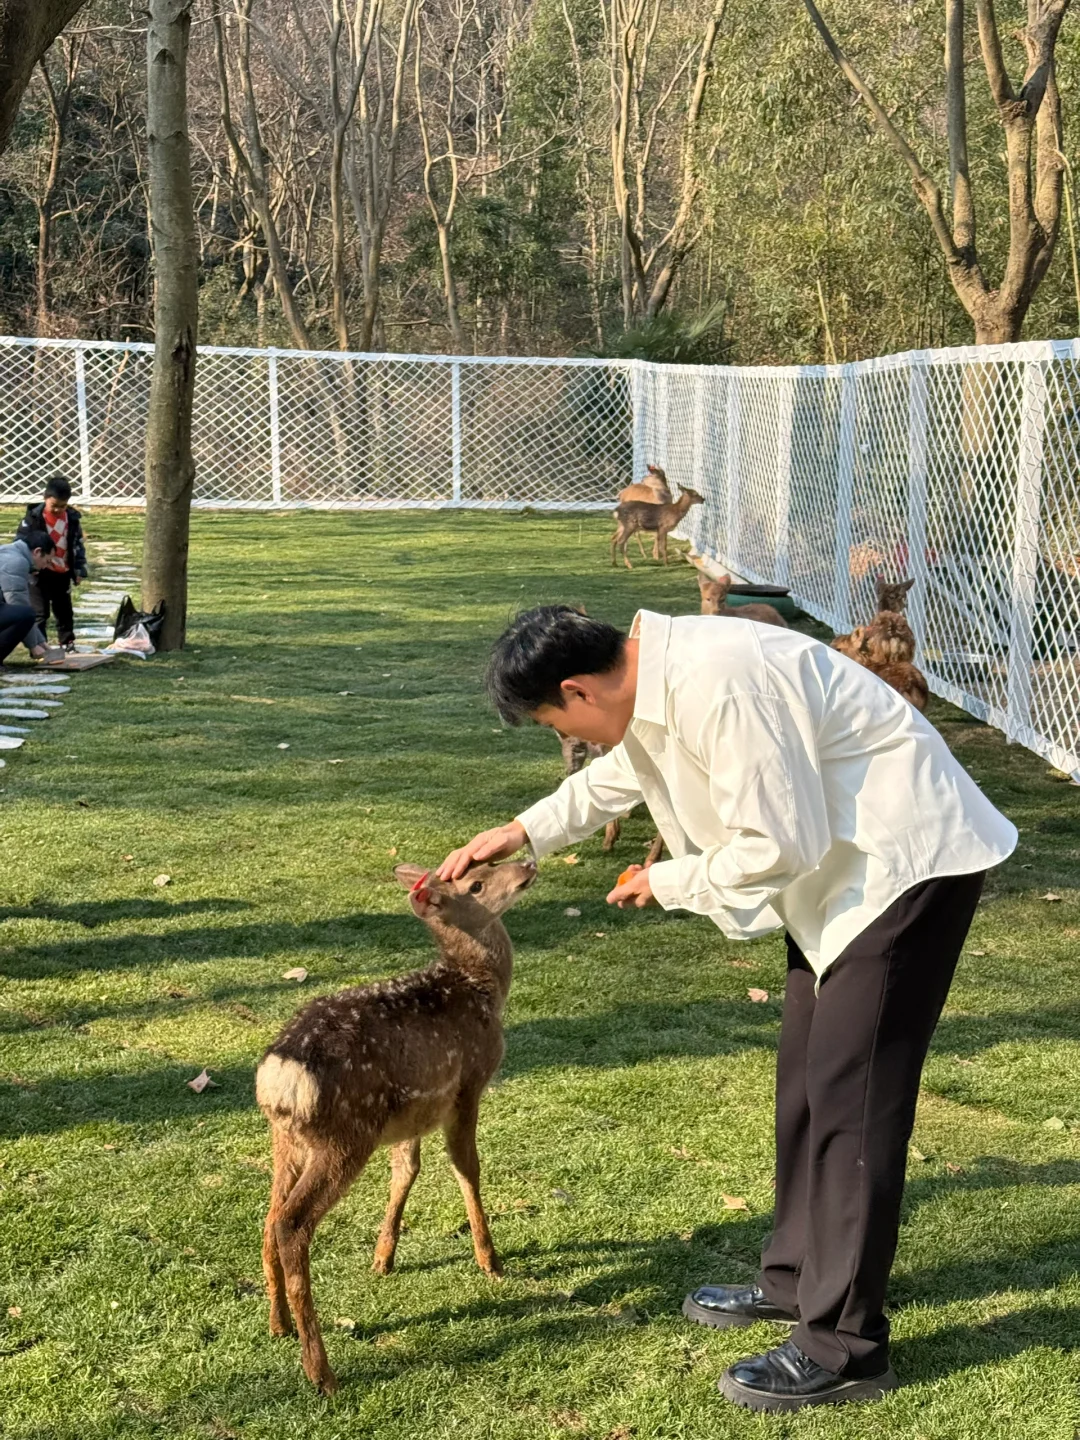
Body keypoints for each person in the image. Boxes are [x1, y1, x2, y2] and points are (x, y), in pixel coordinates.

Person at [438, 605, 1016, 1414]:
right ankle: (794, 1281)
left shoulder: (722, 682)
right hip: (840, 879)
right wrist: (523, 830)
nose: (568, 738)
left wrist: (667, 880)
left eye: (555, 724)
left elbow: (778, 843)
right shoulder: (655, 677)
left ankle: (844, 1348)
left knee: (852, 1104)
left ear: (576, 689)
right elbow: (626, 769)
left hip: (902, 867)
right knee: (806, 1087)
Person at [17, 475, 87, 652]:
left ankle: (67, 643)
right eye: (54, 505)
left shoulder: (71, 519)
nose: (57, 509)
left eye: (62, 506)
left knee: (64, 611)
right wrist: (28, 566)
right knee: (40, 612)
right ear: (45, 498)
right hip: (38, 572)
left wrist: (79, 569)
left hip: (62, 571)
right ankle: (40, 647)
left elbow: (78, 544)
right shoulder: (33, 519)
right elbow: (21, 542)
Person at [0, 531, 60, 664]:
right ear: (37, 552)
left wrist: (41, 642)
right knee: (25, 614)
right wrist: (33, 646)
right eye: (47, 561)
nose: (45, 566)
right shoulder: (16, 562)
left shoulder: (9, 552)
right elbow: (18, 604)